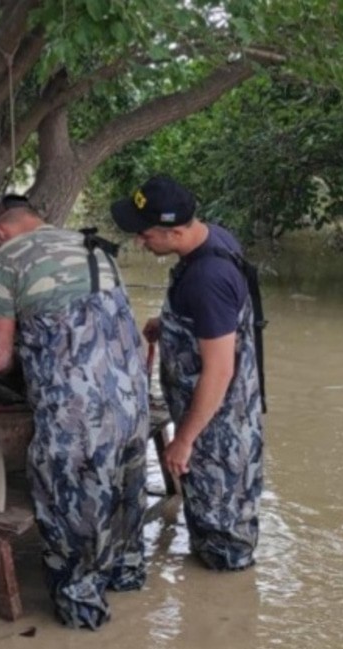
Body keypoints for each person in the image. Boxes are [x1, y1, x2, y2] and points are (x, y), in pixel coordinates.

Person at [0, 194, 149, 629]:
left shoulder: (8, 257)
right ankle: (127, 581)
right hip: (132, 406)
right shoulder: (95, 247)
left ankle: (82, 616)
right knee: (123, 493)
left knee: (71, 508)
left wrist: (26, 360)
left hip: (76, 416)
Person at [110, 176, 264, 571]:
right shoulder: (213, 241)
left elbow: (220, 369)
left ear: (175, 231)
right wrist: (171, 323)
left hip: (217, 430)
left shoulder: (207, 279)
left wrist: (184, 440)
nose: (141, 243)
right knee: (217, 520)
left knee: (222, 540)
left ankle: (223, 619)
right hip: (226, 417)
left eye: (145, 235)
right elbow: (222, 322)